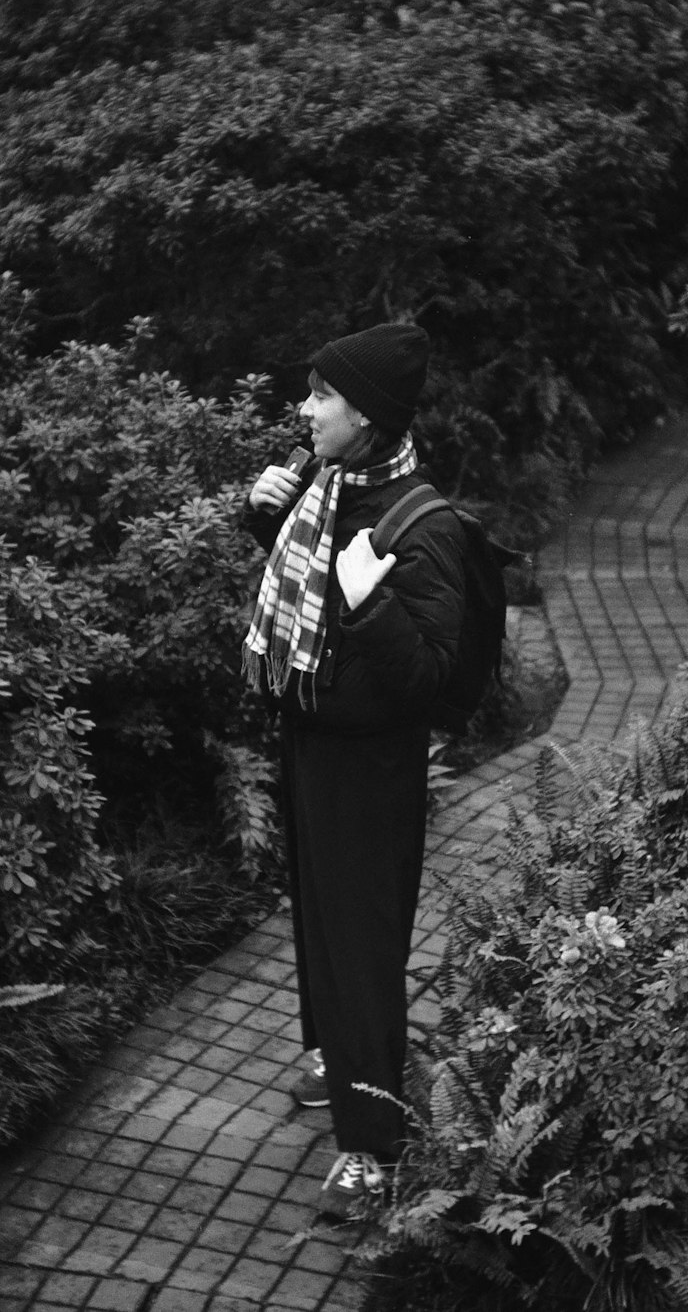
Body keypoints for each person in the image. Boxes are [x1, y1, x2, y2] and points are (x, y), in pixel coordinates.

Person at [242, 322, 465, 1217]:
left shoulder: (423, 523)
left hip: (372, 763)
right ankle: (338, 1066)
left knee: (363, 941)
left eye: (321, 395)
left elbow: (429, 681)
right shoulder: (326, 485)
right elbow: (307, 605)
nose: (305, 409)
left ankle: (372, 1150)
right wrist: (268, 521)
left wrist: (373, 601)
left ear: (365, 414)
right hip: (313, 737)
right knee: (320, 922)